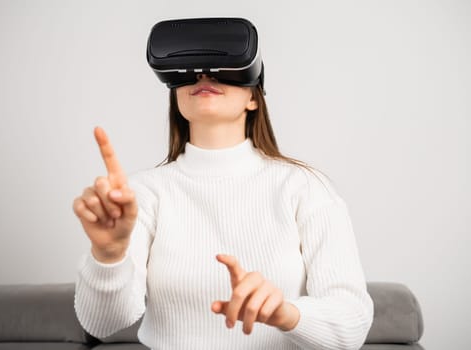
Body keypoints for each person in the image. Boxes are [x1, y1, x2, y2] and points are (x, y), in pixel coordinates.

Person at [73, 24, 374, 348]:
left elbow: (352, 322)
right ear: (175, 94)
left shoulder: (305, 188)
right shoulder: (142, 194)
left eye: (221, 69)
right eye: (191, 72)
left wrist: (287, 314)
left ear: (254, 99)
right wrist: (109, 254)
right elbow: (101, 323)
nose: (203, 75)